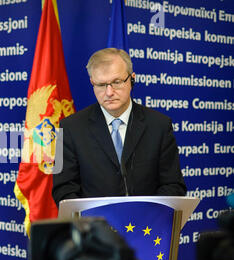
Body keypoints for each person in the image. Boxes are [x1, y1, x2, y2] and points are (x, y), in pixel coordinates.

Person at [52, 48, 186, 205]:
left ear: (132, 80)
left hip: (147, 226)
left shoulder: (160, 125)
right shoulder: (68, 128)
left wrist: (146, 217)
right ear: (92, 83)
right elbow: (63, 190)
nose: (109, 92)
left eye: (116, 82)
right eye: (101, 84)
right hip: (95, 226)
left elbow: (173, 185)